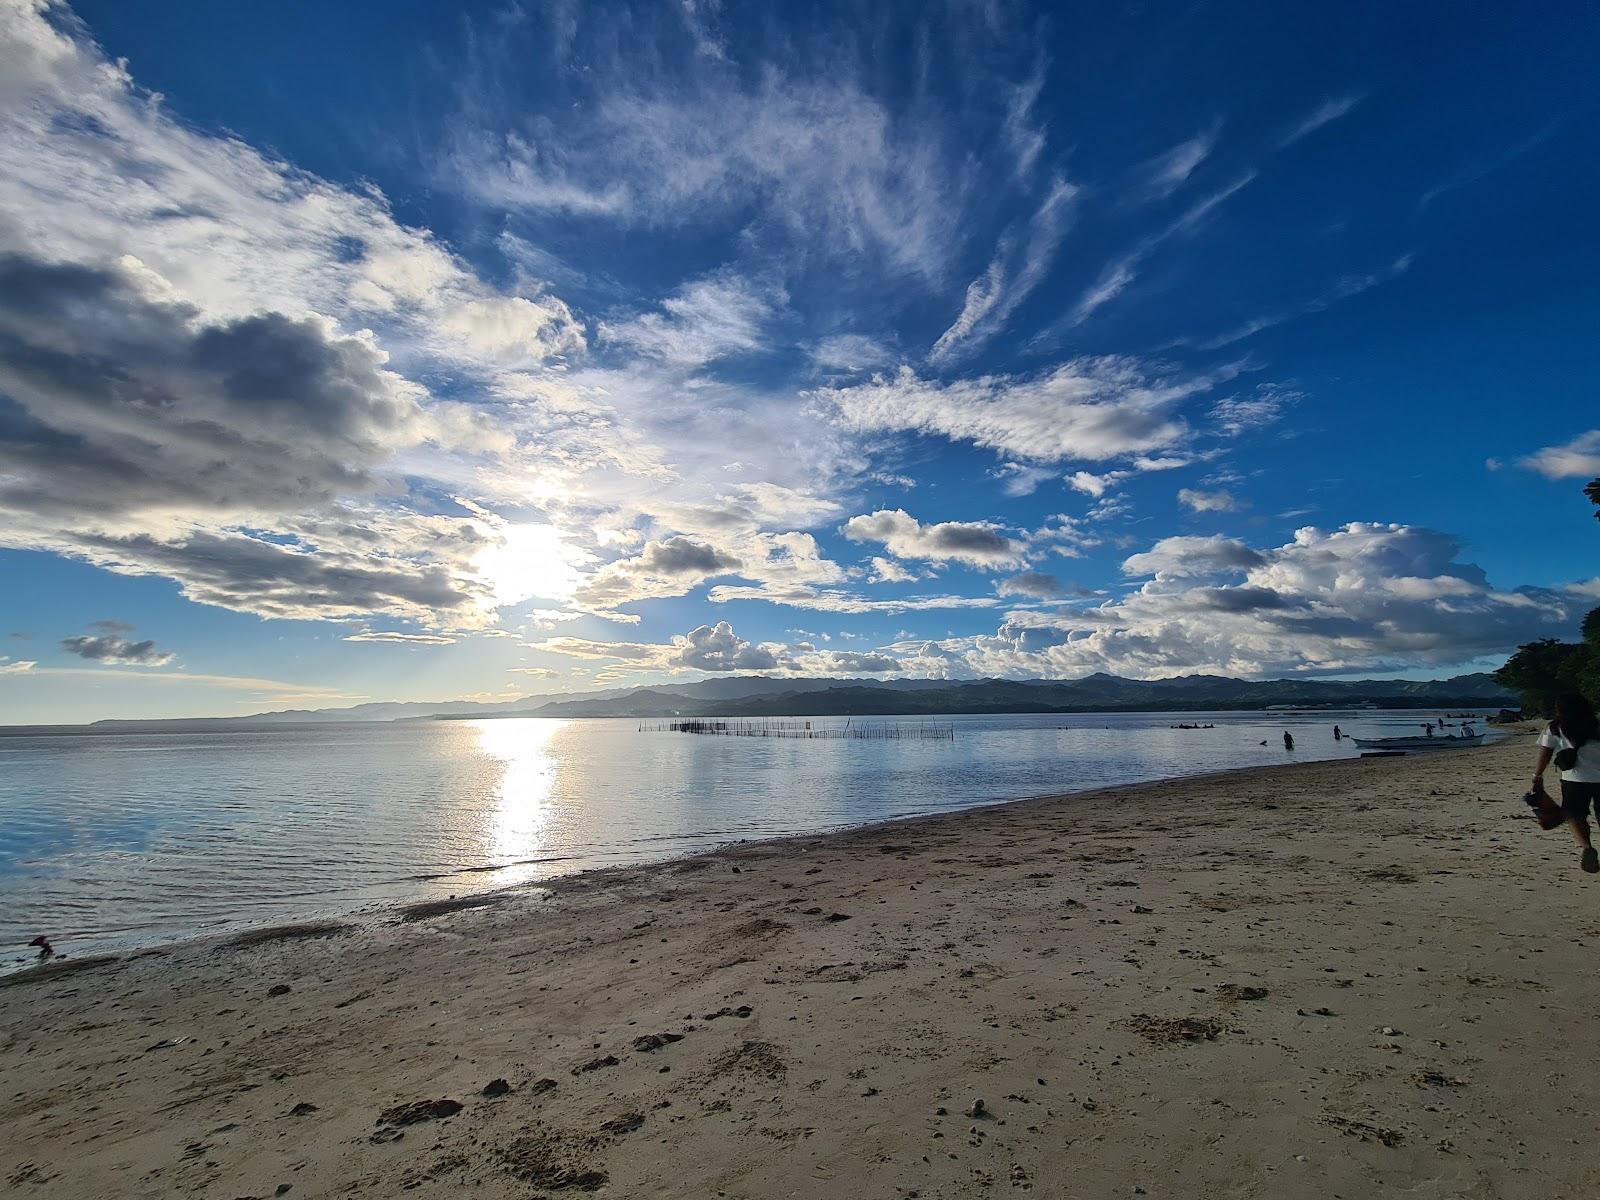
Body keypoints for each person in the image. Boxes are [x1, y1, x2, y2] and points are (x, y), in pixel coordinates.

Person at [1532, 693, 1600, 874]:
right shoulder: (1597, 724)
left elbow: (1545, 753)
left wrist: (1537, 775)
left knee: (1575, 816)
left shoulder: (1555, 727)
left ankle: (1586, 847)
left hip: (1574, 779)